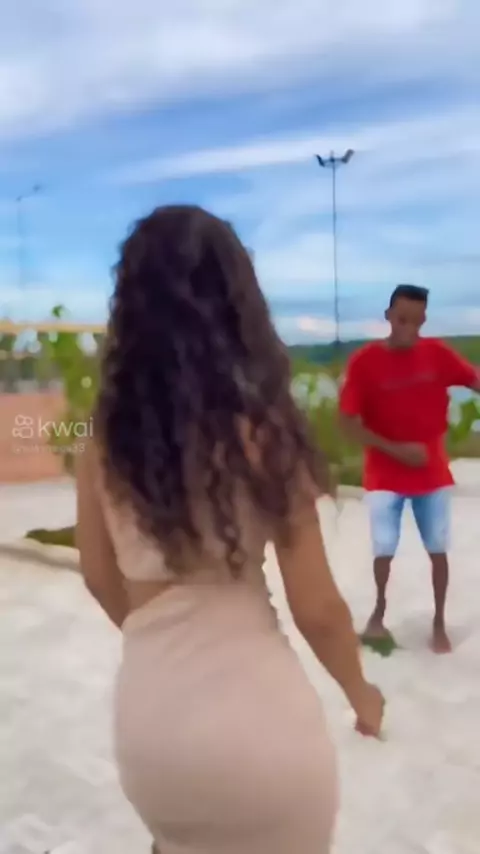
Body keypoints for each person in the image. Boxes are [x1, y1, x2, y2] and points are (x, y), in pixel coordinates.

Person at [75, 205, 384, 854]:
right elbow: (318, 609)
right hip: (262, 736)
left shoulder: (104, 445)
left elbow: (100, 576)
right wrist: (362, 695)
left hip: (151, 730)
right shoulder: (264, 433)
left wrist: (165, 644)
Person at [339, 284, 480, 654]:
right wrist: (396, 450)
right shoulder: (364, 362)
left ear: (424, 320)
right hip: (384, 474)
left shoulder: (437, 354)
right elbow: (348, 423)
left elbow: (473, 379)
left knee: (438, 548)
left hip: (432, 474)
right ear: (388, 316)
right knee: (384, 547)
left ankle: (439, 622)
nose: (408, 329)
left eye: (416, 322)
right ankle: (378, 612)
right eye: (402, 319)